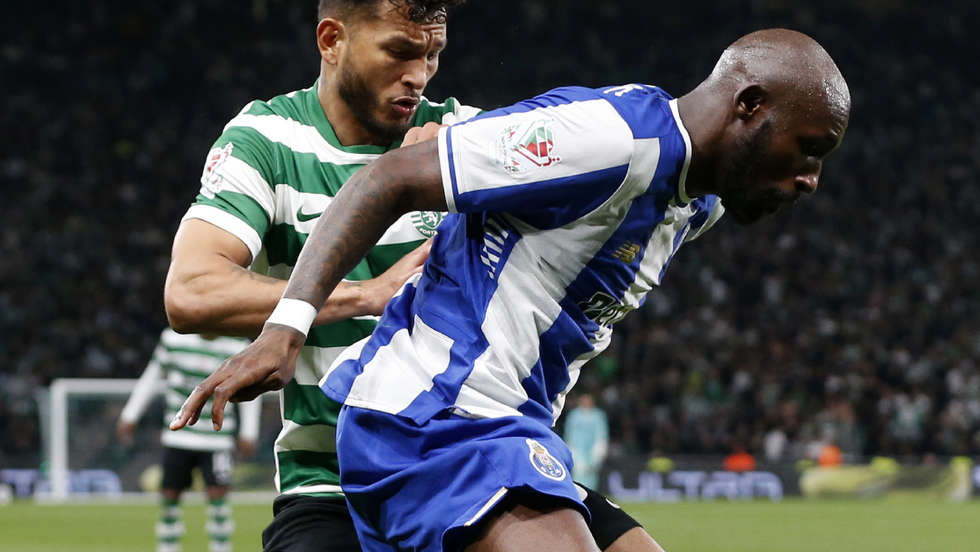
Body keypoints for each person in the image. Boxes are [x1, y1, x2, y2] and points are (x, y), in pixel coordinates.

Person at [173, 27, 850, 552]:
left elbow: (500, 159)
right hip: (431, 422)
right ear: (750, 107)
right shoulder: (613, 138)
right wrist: (286, 326)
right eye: (809, 148)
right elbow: (382, 178)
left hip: (509, 432)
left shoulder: (698, 200)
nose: (811, 178)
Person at [163, 0, 660, 552]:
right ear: (332, 40)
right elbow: (191, 291)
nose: (419, 75)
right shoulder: (266, 143)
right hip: (332, 488)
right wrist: (363, 295)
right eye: (399, 52)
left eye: (432, 55)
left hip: (472, 457)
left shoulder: (461, 138)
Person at [117, 328, 262, 552]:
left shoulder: (237, 346)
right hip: (178, 435)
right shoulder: (173, 339)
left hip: (217, 438)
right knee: (169, 497)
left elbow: (249, 388)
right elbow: (151, 377)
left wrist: (249, 432)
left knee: (218, 498)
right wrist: (130, 414)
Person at [564, 394, 610, 490]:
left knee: (592, 472)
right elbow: (570, 431)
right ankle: (579, 494)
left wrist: (601, 447)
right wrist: (569, 447)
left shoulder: (598, 415)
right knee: (579, 471)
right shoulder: (574, 415)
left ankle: (590, 494)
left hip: (592, 448)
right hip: (578, 448)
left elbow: (601, 432)